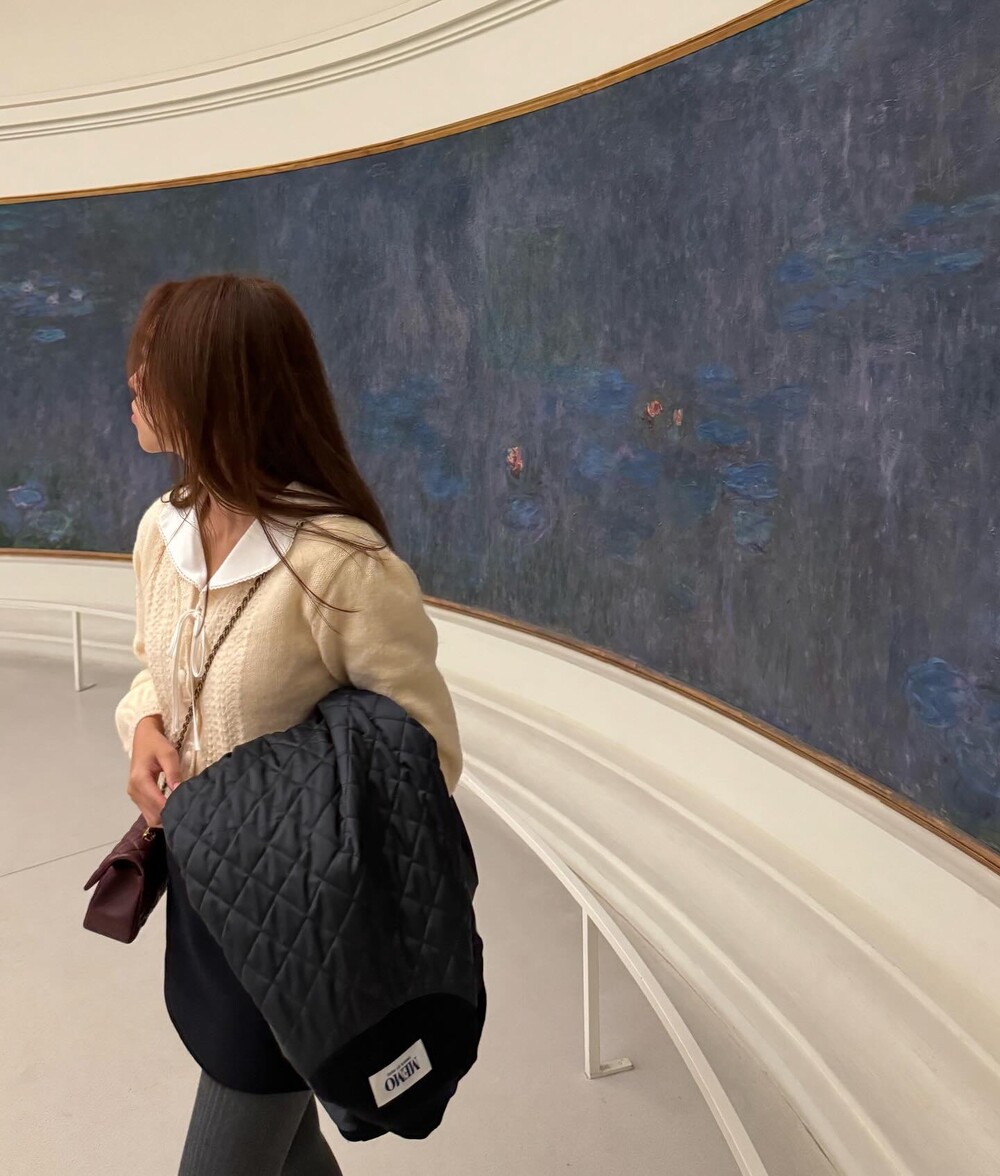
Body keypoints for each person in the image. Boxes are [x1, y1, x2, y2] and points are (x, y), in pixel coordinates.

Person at [113, 274, 464, 1176]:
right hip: (206, 896)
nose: (133, 383)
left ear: (217, 388)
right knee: (290, 1149)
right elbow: (157, 666)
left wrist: (277, 814)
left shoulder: (341, 564)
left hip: (308, 924)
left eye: (153, 365)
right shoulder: (163, 531)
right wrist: (145, 722)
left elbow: (423, 757)